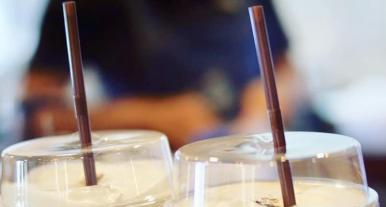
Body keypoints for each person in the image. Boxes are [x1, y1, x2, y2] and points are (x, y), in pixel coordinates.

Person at [22, 0, 302, 148]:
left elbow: (285, 68)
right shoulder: (88, 6)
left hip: (252, 152)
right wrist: (145, 118)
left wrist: (263, 109)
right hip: (154, 174)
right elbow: (38, 118)